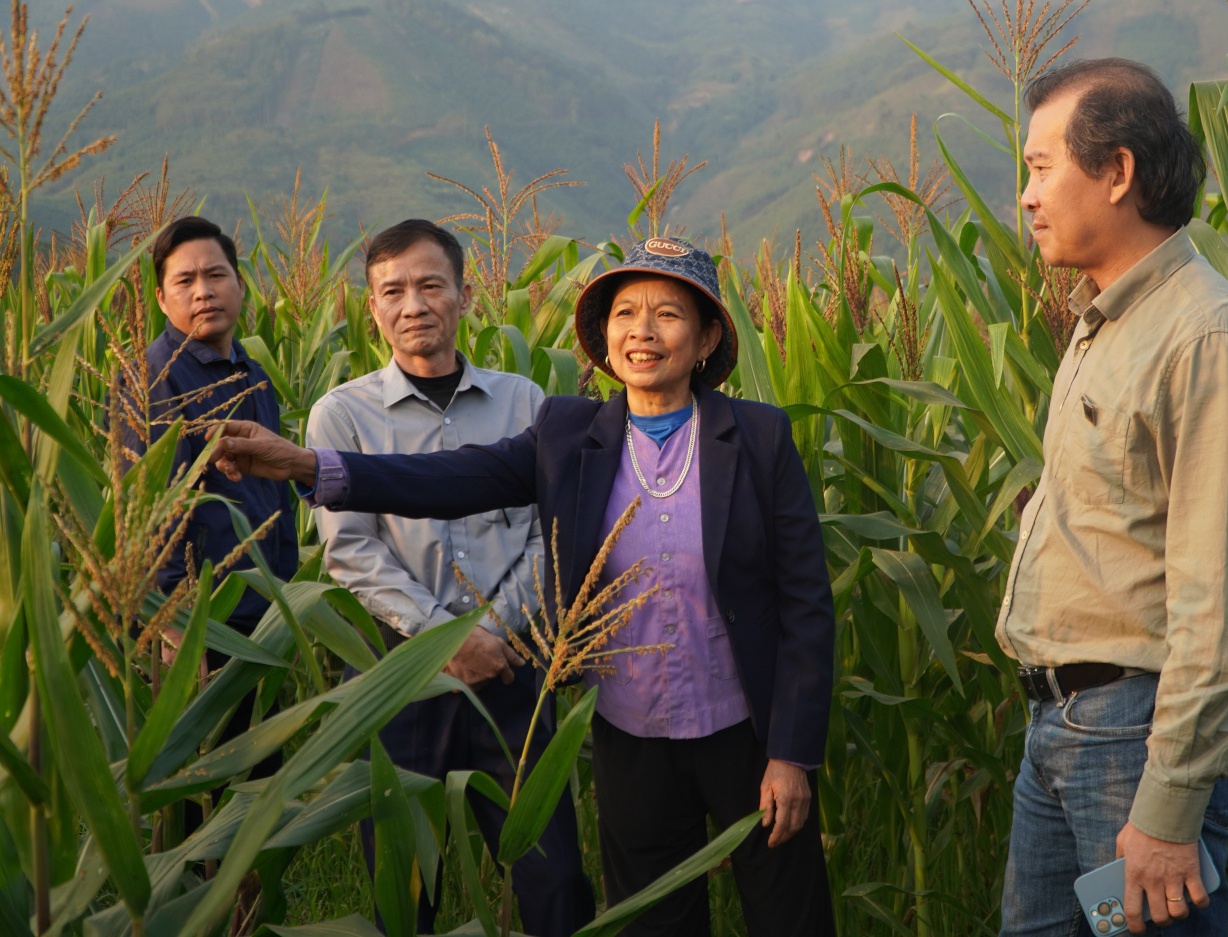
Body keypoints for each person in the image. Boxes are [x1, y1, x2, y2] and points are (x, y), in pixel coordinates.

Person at [212, 237, 838, 936]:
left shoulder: (757, 437)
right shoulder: (569, 433)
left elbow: (807, 604)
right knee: (656, 920)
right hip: (631, 737)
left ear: (708, 336)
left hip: (745, 731)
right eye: (626, 312)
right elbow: (450, 478)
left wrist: (792, 753)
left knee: (790, 914)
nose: (643, 331)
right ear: (604, 334)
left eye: (668, 314)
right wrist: (305, 464)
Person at [995, 60, 1228, 935]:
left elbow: (1221, 591)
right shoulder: (1106, 321)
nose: (1026, 196)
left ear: (1117, 172)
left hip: (1133, 744)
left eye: (1042, 167)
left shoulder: (1204, 335)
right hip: (1061, 731)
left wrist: (1167, 804)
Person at [305, 220, 594, 935]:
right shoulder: (341, 414)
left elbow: (548, 533)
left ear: (466, 295)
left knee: (554, 877)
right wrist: (445, 639)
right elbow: (351, 551)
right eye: (392, 291)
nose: (413, 305)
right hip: (400, 677)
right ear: (371, 307)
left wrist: (491, 634)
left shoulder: (524, 402)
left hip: (513, 669)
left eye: (431, 285)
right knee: (405, 888)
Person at [125, 214, 298, 752]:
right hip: (204, 625)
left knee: (255, 783)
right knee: (205, 791)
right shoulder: (157, 379)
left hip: (259, 616)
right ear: (161, 299)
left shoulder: (252, 373)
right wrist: (174, 625)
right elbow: (152, 512)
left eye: (216, 275)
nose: (203, 292)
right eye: (185, 281)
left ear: (240, 285)